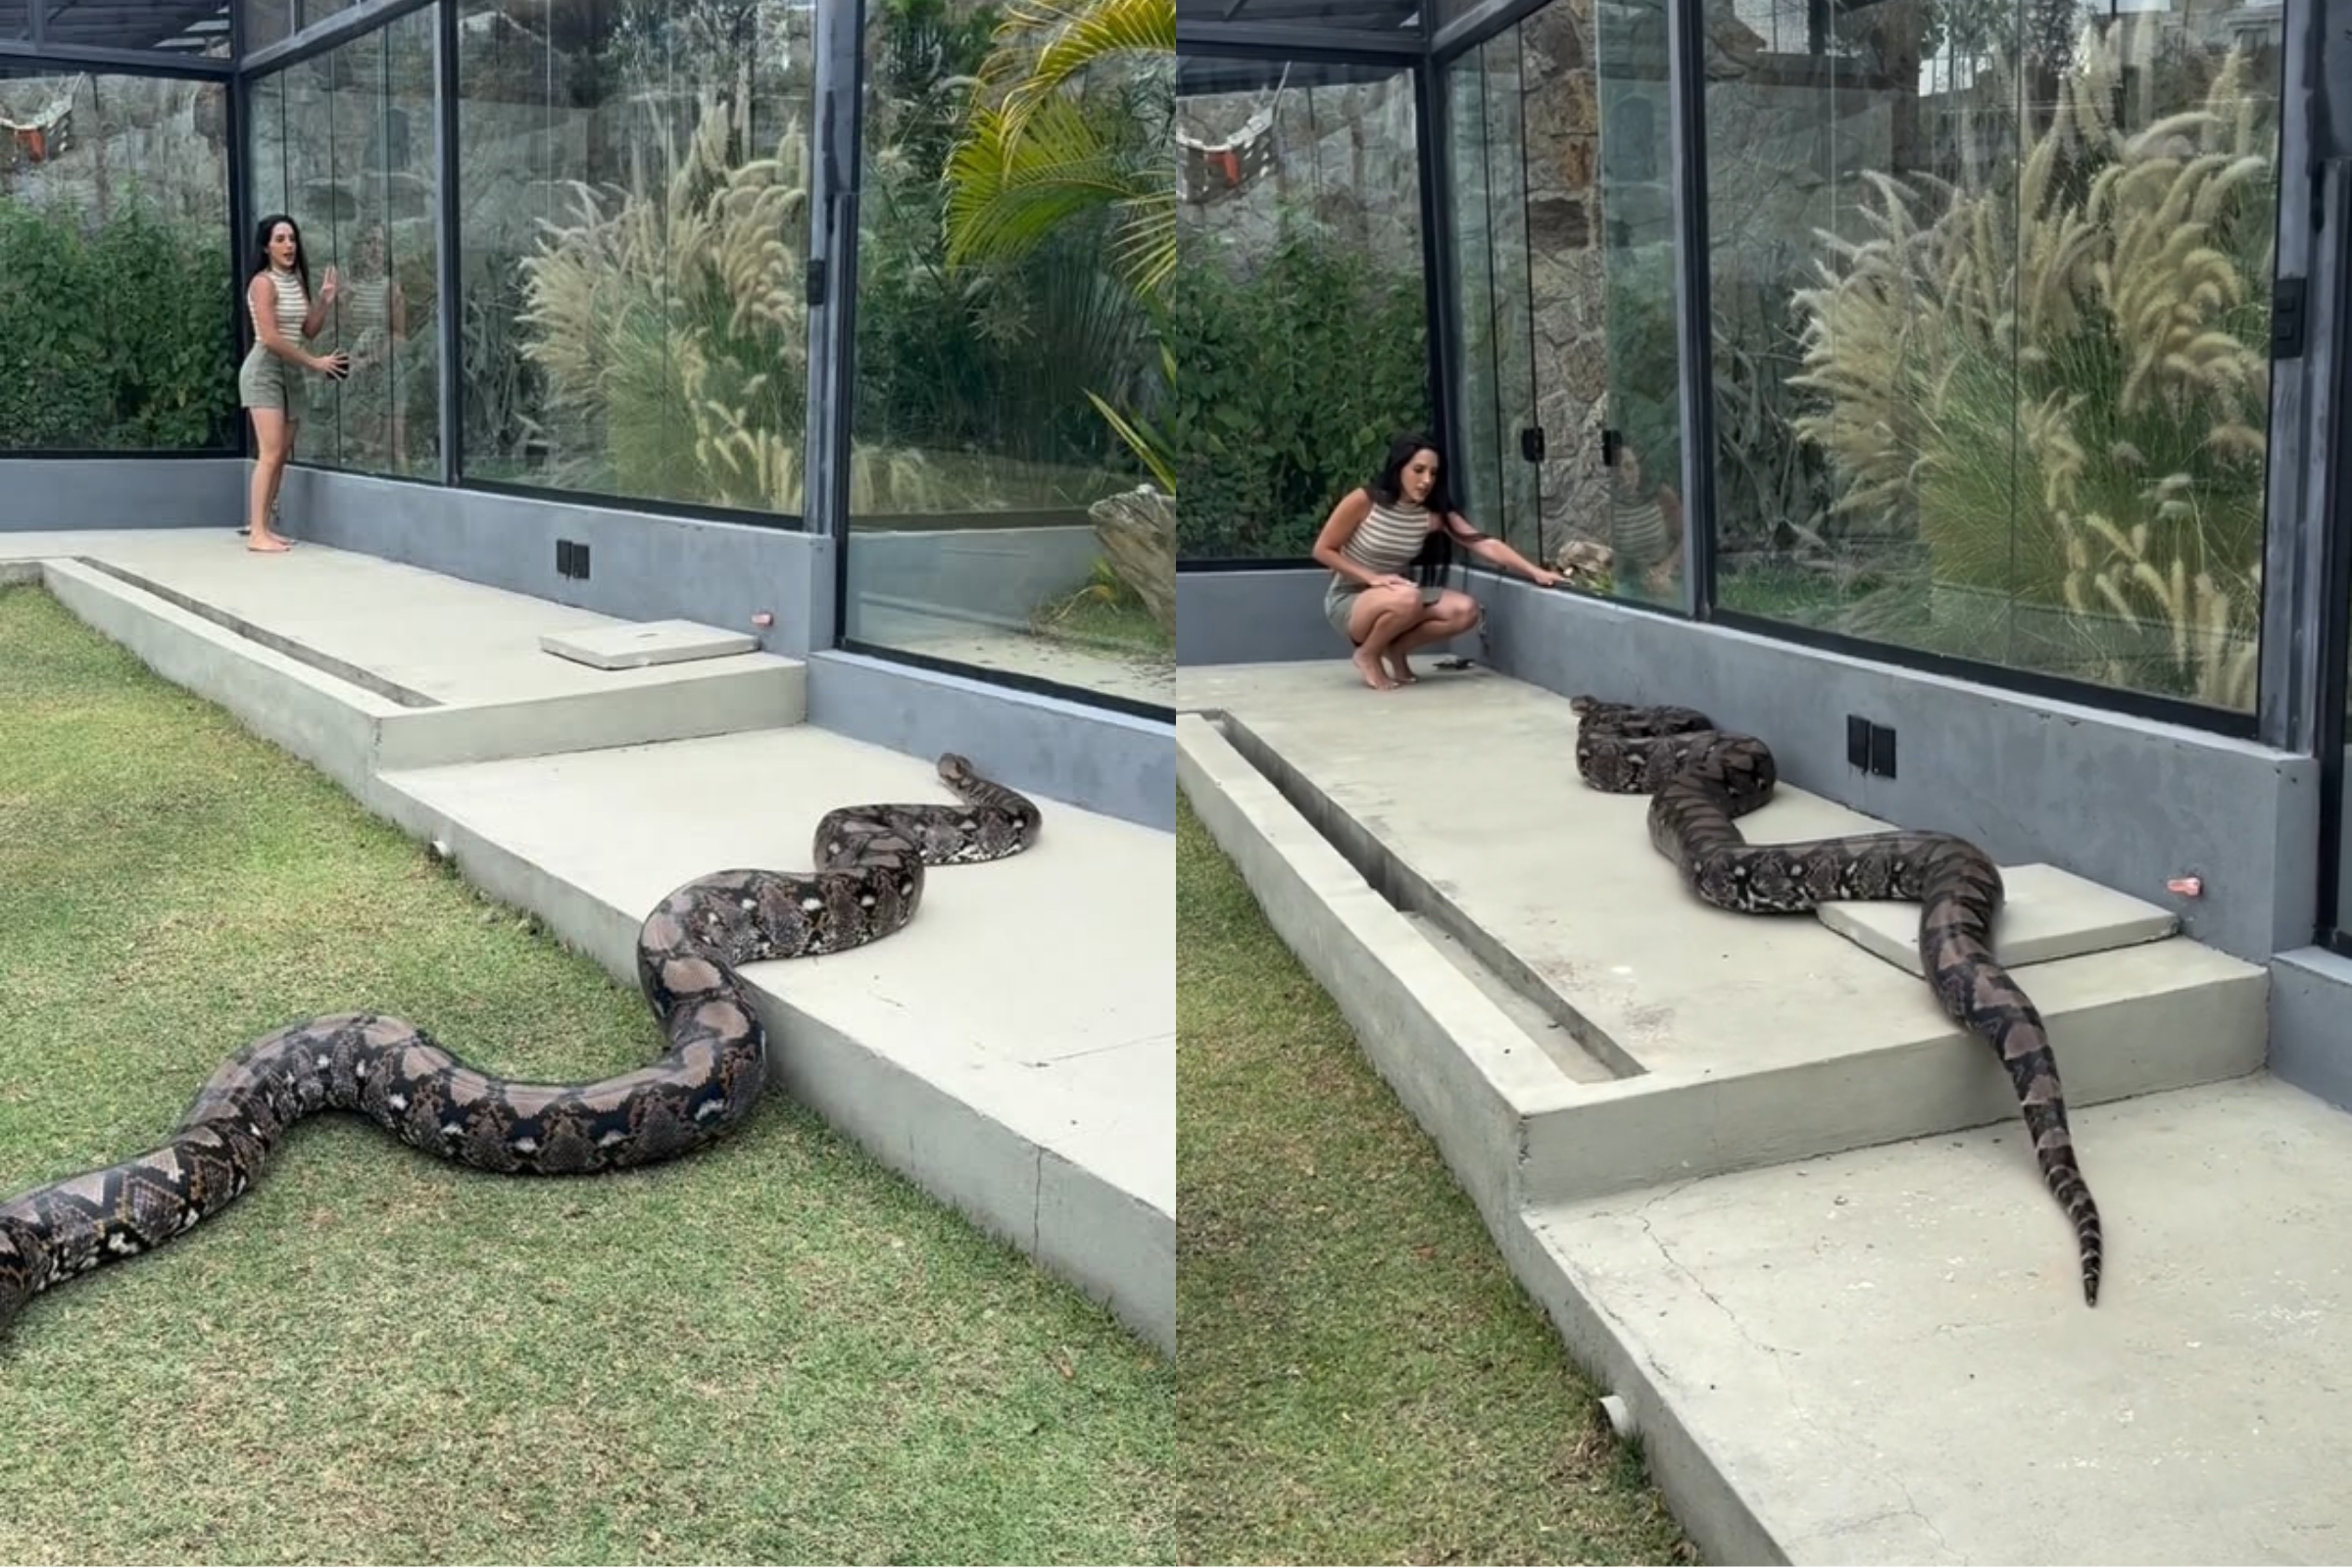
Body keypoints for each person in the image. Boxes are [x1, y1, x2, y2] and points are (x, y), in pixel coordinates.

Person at [1312, 431, 1559, 691]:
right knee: (1408, 598)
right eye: (1418, 470)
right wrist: (1373, 578)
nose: (1426, 480)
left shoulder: (1432, 515)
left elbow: (1483, 543)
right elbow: (1323, 550)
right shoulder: (1365, 501)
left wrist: (1535, 572)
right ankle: (1367, 654)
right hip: (1350, 599)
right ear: (1398, 468)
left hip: (1397, 594)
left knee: (1465, 610)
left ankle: (1396, 649)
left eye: (1433, 473)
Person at [237, 213, 347, 553]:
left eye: (292, 239)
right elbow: (270, 337)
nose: (289, 245)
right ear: (266, 247)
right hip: (265, 370)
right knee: (269, 453)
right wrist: (315, 362)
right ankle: (257, 532)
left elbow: (308, 331)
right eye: (280, 239)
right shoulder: (262, 283)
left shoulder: (295, 283)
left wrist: (324, 300)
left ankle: (265, 527)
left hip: (291, 371)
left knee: (281, 454)